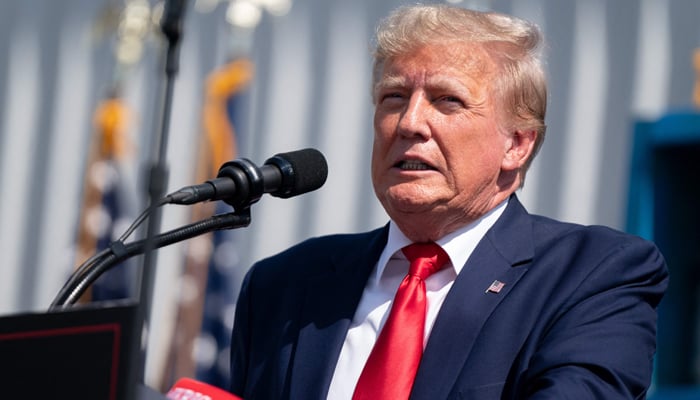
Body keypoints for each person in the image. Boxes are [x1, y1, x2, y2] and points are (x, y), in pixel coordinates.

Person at [229, 4, 668, 399]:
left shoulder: (592, 274)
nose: (410, 123)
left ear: (516, 144)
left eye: (448, 100)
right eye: (394, 97)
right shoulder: (283, 285)